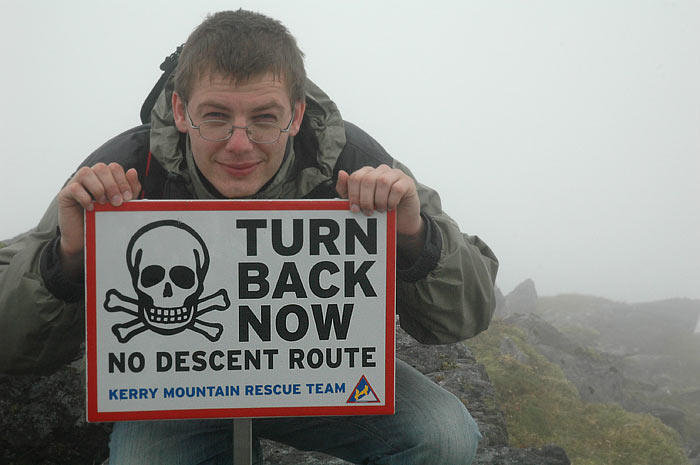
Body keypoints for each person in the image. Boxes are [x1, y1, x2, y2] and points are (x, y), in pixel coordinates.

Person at [0, 9, 498, 465]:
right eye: (216, 116)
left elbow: (466, 312)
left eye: (264, 118)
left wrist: (414, 236)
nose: (239, 144)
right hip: (175, 389)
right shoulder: (126, 171)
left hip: (323, 375)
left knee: (444, 435)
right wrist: (67, 259)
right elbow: (13, 341)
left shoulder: (352, 162)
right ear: (180, 110)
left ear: (295, 115)